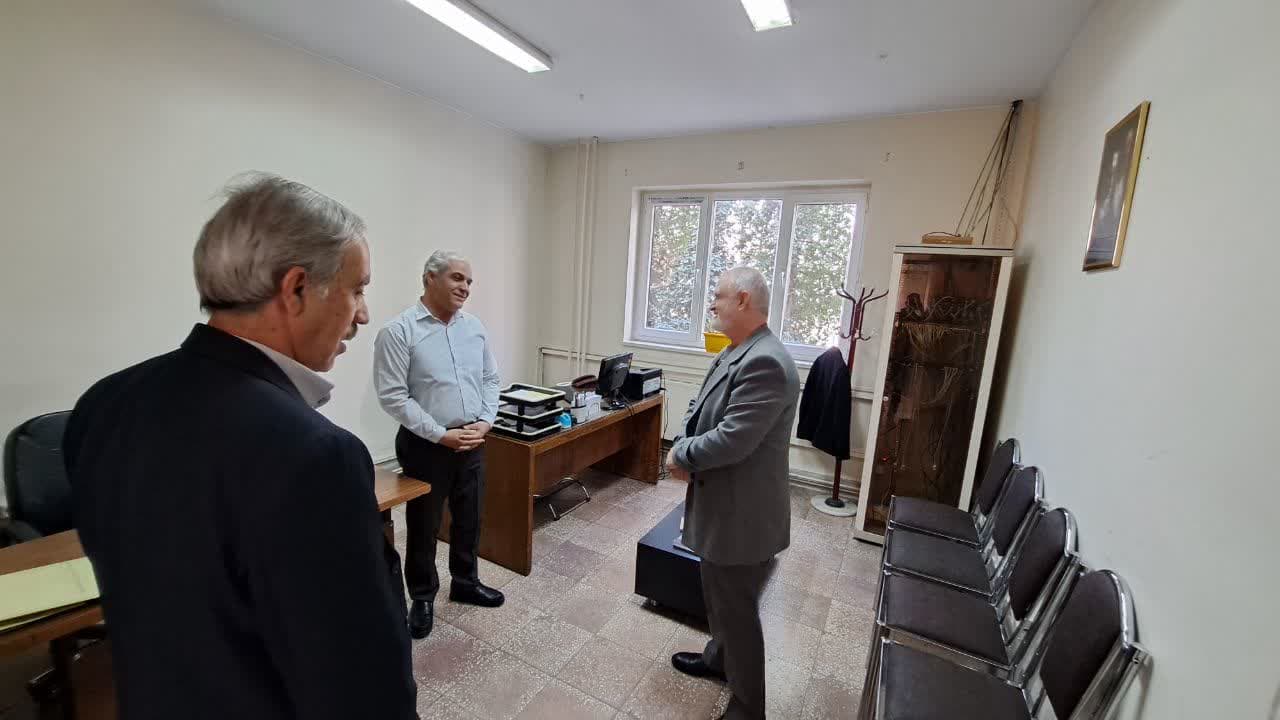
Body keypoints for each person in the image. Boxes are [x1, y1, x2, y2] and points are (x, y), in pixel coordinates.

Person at [62, 174, 417, 719]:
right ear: (296, 289)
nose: (363, 314)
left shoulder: (103, 404)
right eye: (358, 289)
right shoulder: (317, 457)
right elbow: (360, 684)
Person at [665, 266, 800, 720]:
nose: (712, 304)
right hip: (724, 505)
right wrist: (683, 442)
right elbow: (698, 404)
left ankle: (747, 706)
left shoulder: (766, 362)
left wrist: (682, 455)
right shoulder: (737, 349)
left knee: (737, 610)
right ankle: (718, 660)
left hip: (744, 516)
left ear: (743, 300)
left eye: (718, 296)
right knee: (718, 594)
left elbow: (732, 439)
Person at [373, 250, 503, 640]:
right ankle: (423, 596)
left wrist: (485, 421)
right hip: (426, 445)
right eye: (457, 278)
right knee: (424, 524)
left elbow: (490, 379)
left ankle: (465, 582)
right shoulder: (399, 332)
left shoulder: (474, 328)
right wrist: (440, 434)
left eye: (469, 281)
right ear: (430, 278)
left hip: (472, 439)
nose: (465, 287)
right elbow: (393, 396)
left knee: (470, 517)